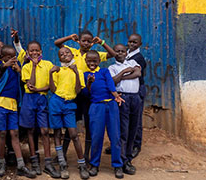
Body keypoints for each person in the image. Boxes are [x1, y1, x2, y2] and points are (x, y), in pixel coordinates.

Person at [54, 31, 116, 159]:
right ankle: (63, 153)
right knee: (70, 124)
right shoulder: (72, 52)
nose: (86, 43)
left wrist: (102, 43)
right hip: (74, 93)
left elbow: (112, 54)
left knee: (89, 125)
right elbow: (57, 43)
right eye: (84, 40)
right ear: (79, 41)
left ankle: (87, 155)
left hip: (89, 93)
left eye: (89, 41)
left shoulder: (94, 55)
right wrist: (69, 37)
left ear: (92, 43)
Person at [0, 45, 36, 178]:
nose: (13, 59)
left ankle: (21, 165)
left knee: (14, 133)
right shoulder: (0, 66)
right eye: (9, 57)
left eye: (14, 57)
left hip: (13, 105)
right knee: (2, 133)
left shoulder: (16, 69)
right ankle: (1, 162)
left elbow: (25, 81)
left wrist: (20, 70)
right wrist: (5, 65)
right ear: (3, 58)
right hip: (0, 103)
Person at [20, 41, 60, 178]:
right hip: (29, 99)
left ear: (41, 51)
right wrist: (33, 66)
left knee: (44, 130)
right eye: (32, 51)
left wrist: (39, 89)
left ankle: (48, 163)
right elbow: (30, 84)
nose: (34, 53)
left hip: (42, 99)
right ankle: (34, 160)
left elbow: (50, 86)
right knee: (30, 130)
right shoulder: (25, 67)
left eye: (37, 50)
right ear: (27, 52)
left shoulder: (48, 64)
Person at [49, 47, 89, 179]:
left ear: (72, 54)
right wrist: (50, 73)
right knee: (57, 133)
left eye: (67, 52)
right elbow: (53, 90)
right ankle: (62, 164)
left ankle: (82, 164)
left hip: (69, 104)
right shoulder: (58, 70)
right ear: (59, 58)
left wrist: (77, 73)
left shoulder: (79, 71)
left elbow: (78, 91)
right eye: (61, 54)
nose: (64, 54)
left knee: (73, 134)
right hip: (56, 102)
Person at [84, 51, 124, 179]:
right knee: (96, 136)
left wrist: (116, 95)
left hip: (111, 105)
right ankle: (94, 164)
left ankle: (117, 165)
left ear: (99, 61)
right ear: (85, 61)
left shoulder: (104, 71)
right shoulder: (85, 75)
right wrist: (89, 82)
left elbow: (110, 83)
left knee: (115, 136)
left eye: (94, 61)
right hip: (96, 107)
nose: (92, 63)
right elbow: (86, 93)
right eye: (89, 61)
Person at [108, 44, 141, 176]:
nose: (120, 53)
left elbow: (138, 73)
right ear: (114, 53)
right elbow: (113, 81)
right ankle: (120, 162)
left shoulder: (133, 62)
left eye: (122, 51)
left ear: (126, 53)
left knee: (133, 129)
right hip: (123, 98)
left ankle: (128, 159)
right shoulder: (112, 68)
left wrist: (122, 77)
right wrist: (124, 72)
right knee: (123, 131)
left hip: (135, 98)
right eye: (117, 51)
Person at [126, 33, 146, 158]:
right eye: (130, 42)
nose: (132, 44)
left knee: (136, 119)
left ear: (140, 44)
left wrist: (119, 76)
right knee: (125, 119)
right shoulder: (127, 53)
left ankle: (136, 145)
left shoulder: (139, 58)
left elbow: (137, 74)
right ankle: (125, 144)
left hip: (137, 90)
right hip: (128, 90)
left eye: (135, 42)